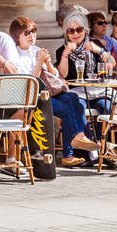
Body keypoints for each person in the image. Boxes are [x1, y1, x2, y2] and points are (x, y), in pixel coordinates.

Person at [9, 15, 97, 167]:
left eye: (34, 31)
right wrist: (39, 63)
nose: (32, 35)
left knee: (73, 98)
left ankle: (79, 138)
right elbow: (30, 83)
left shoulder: (36, 50)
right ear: (17, 37)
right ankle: (71, 150)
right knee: (67, 108)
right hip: (32, 98)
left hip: (48, 93)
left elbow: (55, 76)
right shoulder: (15, 55)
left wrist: (48, 64)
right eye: (27, 33)